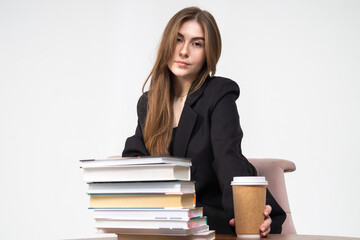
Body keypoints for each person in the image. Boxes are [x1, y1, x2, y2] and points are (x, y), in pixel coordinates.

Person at [122, 6, 286, 236]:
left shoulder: (218, 93)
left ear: (210, 52)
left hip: (210, 216)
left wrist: (244, 214)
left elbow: (227, 156)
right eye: (178, 40)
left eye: (196, 43)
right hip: (165, 222)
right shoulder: (149, 103)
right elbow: (137, 158)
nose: (184, 51)